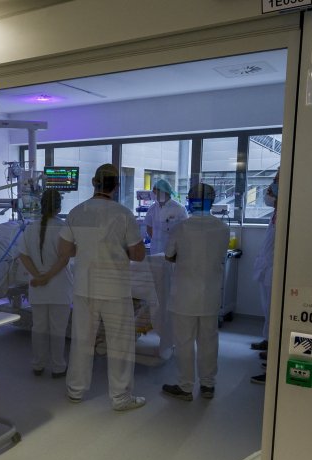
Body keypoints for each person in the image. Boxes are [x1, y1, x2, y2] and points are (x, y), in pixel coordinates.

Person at [46, 164, 147, 411]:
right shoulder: (123, 214)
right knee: (120, 343)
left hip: (84, 287)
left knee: (82, 341)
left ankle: (75, 391)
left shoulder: (76, 212)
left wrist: (88, 249)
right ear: (116, 186)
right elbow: (138, 254)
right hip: (115, 289)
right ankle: (121, 397)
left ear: (94, 182)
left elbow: (65, 251)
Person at [161, 183, 230, 400]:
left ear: (190, 201)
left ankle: (186, 386)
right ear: (212, 200)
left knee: (184, 342)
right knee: (209, 340)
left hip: (184, 296)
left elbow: (169, 255)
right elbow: (219, 256)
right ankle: (208, 385)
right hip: (209, 295)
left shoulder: (181, 228)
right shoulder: (222, 228)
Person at [18, 189, 73, 377]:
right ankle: (58, 367)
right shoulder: (63, 227)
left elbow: (23, 255)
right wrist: (48, 277)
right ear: (59, 207)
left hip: (37, 286)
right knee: (58, 330)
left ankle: (38, 365)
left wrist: (38, 276)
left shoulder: (30, 228)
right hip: (59, 286)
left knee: (39, 327)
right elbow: (65, 258)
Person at [250, 169, 280, 385]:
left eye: (275, 182)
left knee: (274, 311)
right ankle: (268, 344)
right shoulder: (276, 212)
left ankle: (273, 361)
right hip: (268, 267)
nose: (270, 188)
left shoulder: (288, 211)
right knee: (267, 308)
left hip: (274, 270)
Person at [144, 179, 187, 256]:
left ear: (164, 192)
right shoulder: (152, 208)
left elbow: (185, 231)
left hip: (173, 252)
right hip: (155, 250)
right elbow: (149, 227)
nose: (154, 195)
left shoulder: (179, 209)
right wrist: (157, 240)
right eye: (153, 192)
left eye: (156, 192)